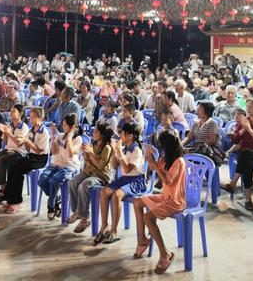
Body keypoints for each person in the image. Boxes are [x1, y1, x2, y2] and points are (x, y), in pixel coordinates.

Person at [132, 130, 186, 274]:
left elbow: (167, 180)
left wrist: (154, 164)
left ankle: (165, 254)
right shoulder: (166, 158)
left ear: (166, 146)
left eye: (161, 145)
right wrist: (149, 157)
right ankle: (142, 240)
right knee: (137, 202)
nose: (160, 148)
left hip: (175, 201)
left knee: (148, 217)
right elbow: (153, 168)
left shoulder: (178, 161)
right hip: (165, 197)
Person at [94, 122, 146, 245]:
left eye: (122, 133)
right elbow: (114, 165)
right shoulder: (124, 149)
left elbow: (128, 169)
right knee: (104, 191)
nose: (120, 135)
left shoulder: (136, 150)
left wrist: (120, 153)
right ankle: (105, 225)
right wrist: (114, 151)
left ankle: (114, 231)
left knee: (116, 195)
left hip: (136, 180)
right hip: (124, 179)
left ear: (130, 136)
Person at [221, 100, 253, 211]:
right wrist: (243, 129)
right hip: (247, 157)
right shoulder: (245, 122)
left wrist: (249, 130)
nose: (248, 109)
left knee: (245, 154)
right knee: (246, 160)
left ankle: (233, 184)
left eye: (251, 107)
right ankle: (248, 199)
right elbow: (234, 140)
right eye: (247, 107)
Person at [67, 123, 114, 233]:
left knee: (84, 185)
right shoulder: (93, 144)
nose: (93, 133)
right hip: (89, 171)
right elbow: (88, 162)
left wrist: (91, 153)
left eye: (96, 132)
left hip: (101, 176)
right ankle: (77, 211)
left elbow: (100, 166)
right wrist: (86, 155)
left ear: (102, 135)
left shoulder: (107, 148)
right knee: (72, 182)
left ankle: (85, 218)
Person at [2, 107, 50, 213]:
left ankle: (17, 201)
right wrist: (23, 141)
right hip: (31, 156)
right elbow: (28, 149)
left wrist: (26, 141)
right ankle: (10, 199)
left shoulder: (44, 132)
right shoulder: (31, 130)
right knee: (12, 165)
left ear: (40, 118)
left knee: (18, 169)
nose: (31, 119)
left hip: (40, 159)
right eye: (30, 117)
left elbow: (39, 151)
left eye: (34, 117)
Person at [38, 113, 83, 219]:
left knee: (55, 179)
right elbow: (54, 152)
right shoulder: (60, 136)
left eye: (65, 125)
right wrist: (53, 135)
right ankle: (57, 199)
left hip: (69, 166)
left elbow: (71, 153)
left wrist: (70, 137)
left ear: (72, 127)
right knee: (42, 179)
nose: (62, 127)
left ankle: (50, 205)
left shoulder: (78, 139)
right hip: (56, 164)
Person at [0, 104, 29, 202]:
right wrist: (4, 132)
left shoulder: (24, 127)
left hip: (19, 152)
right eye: (10, 111)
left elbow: (19, 144)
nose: (10, 113)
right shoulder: (9, 125)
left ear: (20, 114)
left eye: (13, 111)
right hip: (8, 150)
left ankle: (3, 190)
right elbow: (6, 142)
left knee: (1, 161)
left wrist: (8, 133)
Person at [183, 101, 224, 165]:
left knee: (202, 147)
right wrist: (180, 144)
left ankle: (190, 151)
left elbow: (211, 141)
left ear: (206, 112)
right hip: (198, 148)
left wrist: (194, 148)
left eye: (199, 110)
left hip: (211, 151)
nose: (197, 111)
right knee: (180, 150)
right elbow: (189, 137)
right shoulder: (196, 123)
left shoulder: (212, 123)